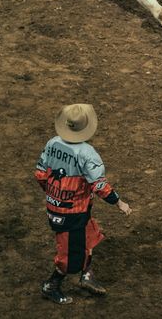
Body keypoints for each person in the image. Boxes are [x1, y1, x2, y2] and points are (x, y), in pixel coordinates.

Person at [35, 103, 132, 305]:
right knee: (69, 256)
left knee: (88, 237)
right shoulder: (87, 153)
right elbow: (99, 185)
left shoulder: (52, 143)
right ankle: (50, 286)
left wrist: (55, 194)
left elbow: (40, 173)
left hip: (57, 207)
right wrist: (119, 202)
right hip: (74, 212)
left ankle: (87, 275)